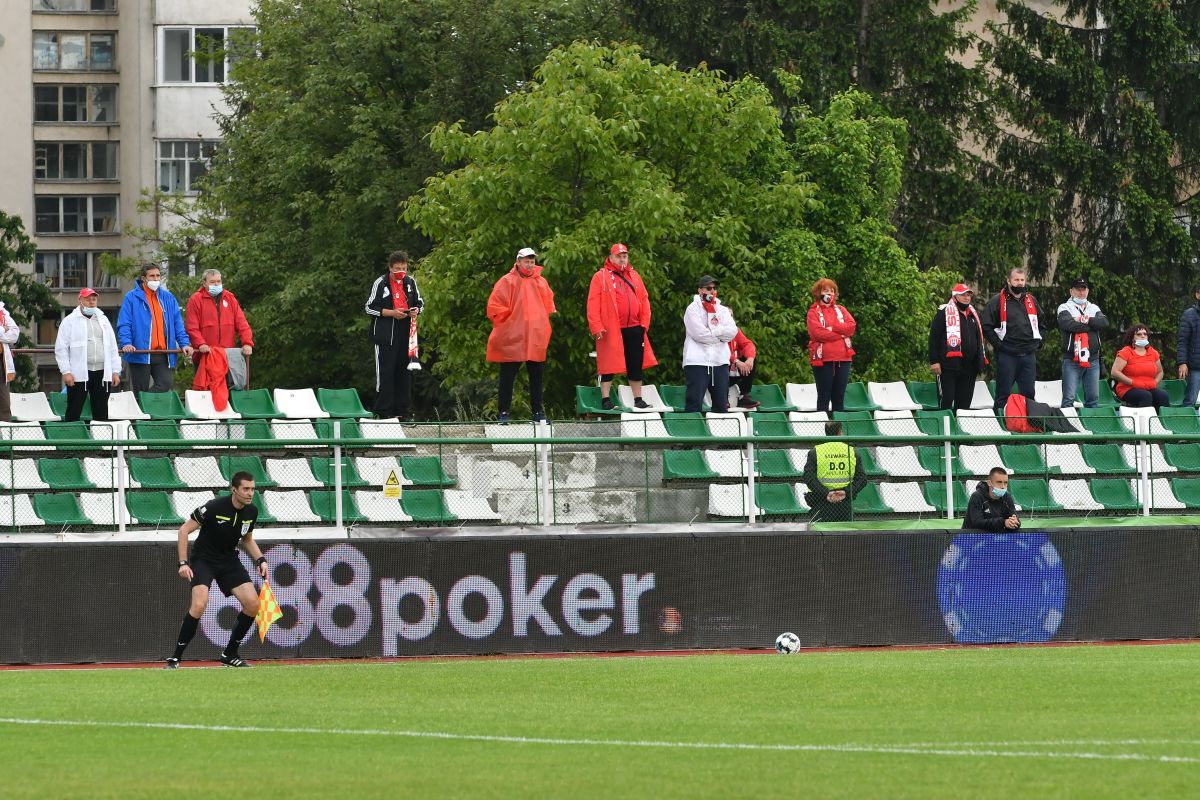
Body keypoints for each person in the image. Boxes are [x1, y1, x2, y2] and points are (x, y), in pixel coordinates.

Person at [166, 471, 265, 669]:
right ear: (234, 489)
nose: (250, 493)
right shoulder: (213, 507)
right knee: (200, 604)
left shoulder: (251, 511)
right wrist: (183, 563)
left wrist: (260, 559)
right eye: (246, 489)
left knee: (253, 604)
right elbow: (184, 530)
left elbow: (247, 539)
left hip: (229, 560)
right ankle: (175, 658)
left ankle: (229, 654)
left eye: (252, 489)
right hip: (204, 560)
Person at [487, 247, 556, 424]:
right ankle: (503, 413)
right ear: (518, 261)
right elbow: (495, 306)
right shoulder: (507, 281)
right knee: (507, 377)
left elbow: (548, 306)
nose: (530, 264)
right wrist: (509, 323)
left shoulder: (541, 282)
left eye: (532, 261)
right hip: (513, 337)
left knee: (537, 378)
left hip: (535, 337)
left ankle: (537, 413)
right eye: (527, 261)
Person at [587, 243, 657, 411]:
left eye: (624, 255)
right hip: (611, 328)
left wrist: (644, 324)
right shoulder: (600, 276)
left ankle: (638, 399)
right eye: (618, 255)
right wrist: (596, 326)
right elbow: (592, 303)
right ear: (610, 258)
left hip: (635, 327)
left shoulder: (634, 275)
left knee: (635, 363)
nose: (622, 258)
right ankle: (605, 399)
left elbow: (645, 300)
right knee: (608, 363)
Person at [365, 250, 424, 421]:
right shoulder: (381, 283)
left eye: (404, 268)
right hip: (385, 335)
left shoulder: (410, 282)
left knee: (404, 373)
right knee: (386, 373)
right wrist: (391, 313)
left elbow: (420, 303)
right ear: (390, 268)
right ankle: (384, 412)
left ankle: (403, 411)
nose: (401, 271)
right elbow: (369, 307)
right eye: (397, 268)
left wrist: (415, 310)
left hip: (406, 334)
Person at [116, 264, 193, 394]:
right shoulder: (131, 297)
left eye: (158, 276)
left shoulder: (168, 297)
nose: (156, 279)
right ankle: (142, 410)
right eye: (152, 276)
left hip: (163, 353)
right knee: (140, 390)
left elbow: (177, 323)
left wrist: (184, 343)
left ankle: (145, 403)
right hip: (140, 352)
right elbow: (124, 323)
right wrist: (126, 343)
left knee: (165, 384)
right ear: (143, 278)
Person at [981, 267, 1046, 414]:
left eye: (1022, 280)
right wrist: (999, 345)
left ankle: (1028, 428)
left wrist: (1039, 343)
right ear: (1009, 281)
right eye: (1016, 280)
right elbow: (986, 325)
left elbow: (1042, 324)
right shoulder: (997, 301)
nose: (1020, 283)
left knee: (1029, 395)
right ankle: (1000, 431)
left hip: (1028, 355)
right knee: (1002, 395)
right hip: (1007, 355)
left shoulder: (1031, 300)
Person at [54, 288, 121, 422]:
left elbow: (112, 347)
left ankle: (102, 441)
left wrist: (115, 371)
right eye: (88, 299)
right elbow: (61, 348)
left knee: (101, 411)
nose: (91, 302)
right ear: (80, 300)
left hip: (102, 372)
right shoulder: (69, 321)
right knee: (74, 409)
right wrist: (66, 371)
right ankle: (71, 441)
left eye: (94, 299)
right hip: (79, 373)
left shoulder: (103, 320)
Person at [184, 269, 254, 390]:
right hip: (205, 355)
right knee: (205, 393)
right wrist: (201, 343)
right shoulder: (195, 299)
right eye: (212, 282)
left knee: (227, 391)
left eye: (218, 281)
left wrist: (247, 343)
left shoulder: (230, 298)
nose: (216, 284)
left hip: (227, 356)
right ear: (204, 283)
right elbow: (191, 327)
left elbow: (242, 323)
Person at [683, 275, 738, 413]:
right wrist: (720, 337)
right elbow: (699, 335)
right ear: (700, 290)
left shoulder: (722, 309)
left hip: (720, 362)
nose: (712, 291)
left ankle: (719, 433)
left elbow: (732, 331)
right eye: (708, 288)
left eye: (714, 288)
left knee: (721, 405)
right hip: (697, 362)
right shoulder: (692, 309)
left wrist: (714, 332)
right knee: (694, 404)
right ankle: (691, 433)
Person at [928, 283, 986, 411]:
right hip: (948, 366)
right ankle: (944, 429)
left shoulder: (973, 314)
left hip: (969, 367)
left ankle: (960, 430)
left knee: (964, 404)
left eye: (968, 295)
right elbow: (934, 337)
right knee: (947, 399)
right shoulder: (944, 312)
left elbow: (978, 338)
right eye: (963, 295)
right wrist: (934, 360)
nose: (967, 298)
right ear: (954, 297)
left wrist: (979, 360)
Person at [1056, 278, 1109, 408]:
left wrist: (1081, 319)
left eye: (1083, 289)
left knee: (1093, 399)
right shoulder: (1064, 307)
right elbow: (1067, 324)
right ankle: (1067, 427)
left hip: (1093, 359)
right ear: (1071, 291)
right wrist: (1091, 324)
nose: (1081, 292)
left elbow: (1104, 323)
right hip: (1072, 360)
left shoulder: (1093, 307)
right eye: (1078, 289)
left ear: (1088, 291)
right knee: (1069, 398)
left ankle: (1091, 427)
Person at [802, 420, 867, 523]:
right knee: (845, 536)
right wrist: (846, 492)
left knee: (820, 536)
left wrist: (826, 493)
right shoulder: (852, 452)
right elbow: (862, 479)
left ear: (826, 432)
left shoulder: (815, 452)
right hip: (844, 504)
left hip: (821, 502)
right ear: (840, 431)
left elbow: (809, 478)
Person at [806, 279, 856, 413]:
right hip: (823, 360)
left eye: (832, 291)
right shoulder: (813, 312)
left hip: (844, 359)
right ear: (818, 292)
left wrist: (832, 328)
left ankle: (837, 432)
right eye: (826, 290)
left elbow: (851, 327)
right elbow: (818, 334)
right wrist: (841, 334)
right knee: (824, 397)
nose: (830, 293)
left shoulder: (841, 309)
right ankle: (822, 431)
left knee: (839, 398)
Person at [1111, 323, 1169, 409]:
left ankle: (1160, 421)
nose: (1143, 336)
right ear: (1132, 338)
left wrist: (1155, 382)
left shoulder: (1153, 352)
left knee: (1163, 396)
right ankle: (1143, 421)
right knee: (1145, 396)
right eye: (1139, 334)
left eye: (1145, 334)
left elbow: (1160, 372)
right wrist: (1133, 382)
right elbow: (1114, 372)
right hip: (1127, 388)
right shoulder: (1126, 352)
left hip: (1148, 387)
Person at [964, 467, 1020, 531]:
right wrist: (1003, 522)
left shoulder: (1007, 496)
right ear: (989, 483)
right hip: (973, 537)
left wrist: (1014, 522)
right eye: (999, 482)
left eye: (1005, 483)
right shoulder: (977, 496)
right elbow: (977, 522)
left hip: (997, 538)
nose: (1003, 486)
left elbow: (1015, 519)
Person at [1176, 285, 1200, 406]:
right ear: (1197, 295)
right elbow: (1182, 341)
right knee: (1190, 400)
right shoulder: (1189, 315)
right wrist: (1182, 362)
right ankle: (1185, 424)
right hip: (1195, 367)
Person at [729, 327, 759, 409]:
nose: (730, 318)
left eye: (731, 316)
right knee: (723, 363)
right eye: (728, 316)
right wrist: (736, 361)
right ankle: (721, 398)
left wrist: (750, 358)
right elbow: (720, 351)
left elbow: (747, 344)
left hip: (730, 371)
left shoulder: (735, 330)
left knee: (750, 360)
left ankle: (744, 396)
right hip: (713, 374)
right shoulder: (715, 329)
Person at [0, 299, 18, 422]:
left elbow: (15, 335)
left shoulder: (2, 310)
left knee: (4, 405)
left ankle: (5, 440)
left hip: (2, 364)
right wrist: (3, 329)